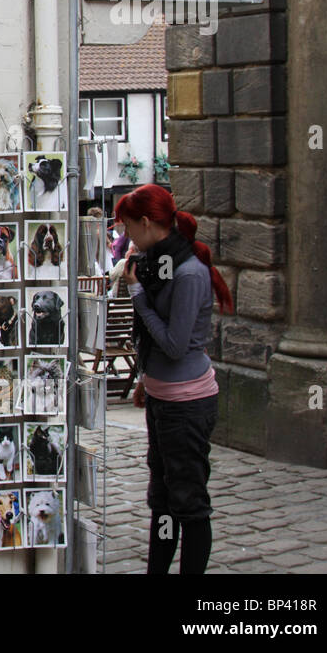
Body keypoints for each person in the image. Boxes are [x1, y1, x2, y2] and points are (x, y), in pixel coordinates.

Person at [115, 184, 234, 574]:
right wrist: (145, 382)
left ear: (147, 223)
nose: (125, 237)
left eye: (129, 227)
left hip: (187, 405)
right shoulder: (159, 264)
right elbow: (156, 342)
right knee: (162, 499)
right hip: (164, 398)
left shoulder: (188, 274)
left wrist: (137, 296)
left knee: (189, 503)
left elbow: (174, 344)